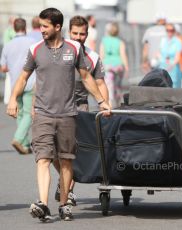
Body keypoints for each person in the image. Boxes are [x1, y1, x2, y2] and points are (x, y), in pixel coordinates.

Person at [6, 8, 110, 222]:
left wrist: (101, 101)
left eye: (45, 26)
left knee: (65, 161)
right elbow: (23, 78)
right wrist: (13, 99)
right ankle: (43, 204)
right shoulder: (35, 49)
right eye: (41, 26)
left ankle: (64, 204)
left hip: (68, 115)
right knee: (43, 159)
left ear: (57, 27)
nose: (41, 30)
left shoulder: (73, 49)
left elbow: (87, 77)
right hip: (43, 114)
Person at [53, 15, 109, 207]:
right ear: (69, 32)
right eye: (74, 33)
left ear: (87, 34)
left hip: (79, 107)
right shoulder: (57, 51)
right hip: (55, 106)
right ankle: (64, 178)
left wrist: (105, 105)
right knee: (52, 152)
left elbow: (100, 83)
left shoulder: (92, 57)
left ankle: (67, 189)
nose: (78, 37)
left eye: (82, 34)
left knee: (71, 152)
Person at [0, 18, 36, 155]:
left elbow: (3, 68)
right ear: (25, 28)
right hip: (31, 81)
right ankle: (18, 138)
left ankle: (25, 145)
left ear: (14, 29)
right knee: (28, 113)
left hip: (15, 82)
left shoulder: (8, 45)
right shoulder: (32, 43)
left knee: (19, 113)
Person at [100, 22, 129, 107]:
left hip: (108, 66)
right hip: (118, 66)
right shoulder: (120, 42)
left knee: (109, 86)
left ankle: (110, 104)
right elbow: (123, 55)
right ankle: (118, 103)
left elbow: (102, 55)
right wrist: (127, 67)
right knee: (118, 86)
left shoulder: (104, 41)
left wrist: (100, 67)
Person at [158, 23, 182, 88]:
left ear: (174, 31)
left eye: (171, 30)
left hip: (173, 69)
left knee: (173, 88)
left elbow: (177, 57)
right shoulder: (162, 40)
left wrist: (171, 65)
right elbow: (158, 53)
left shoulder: (177, 42)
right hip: (162, 68)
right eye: (167, 30)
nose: (169, 32)